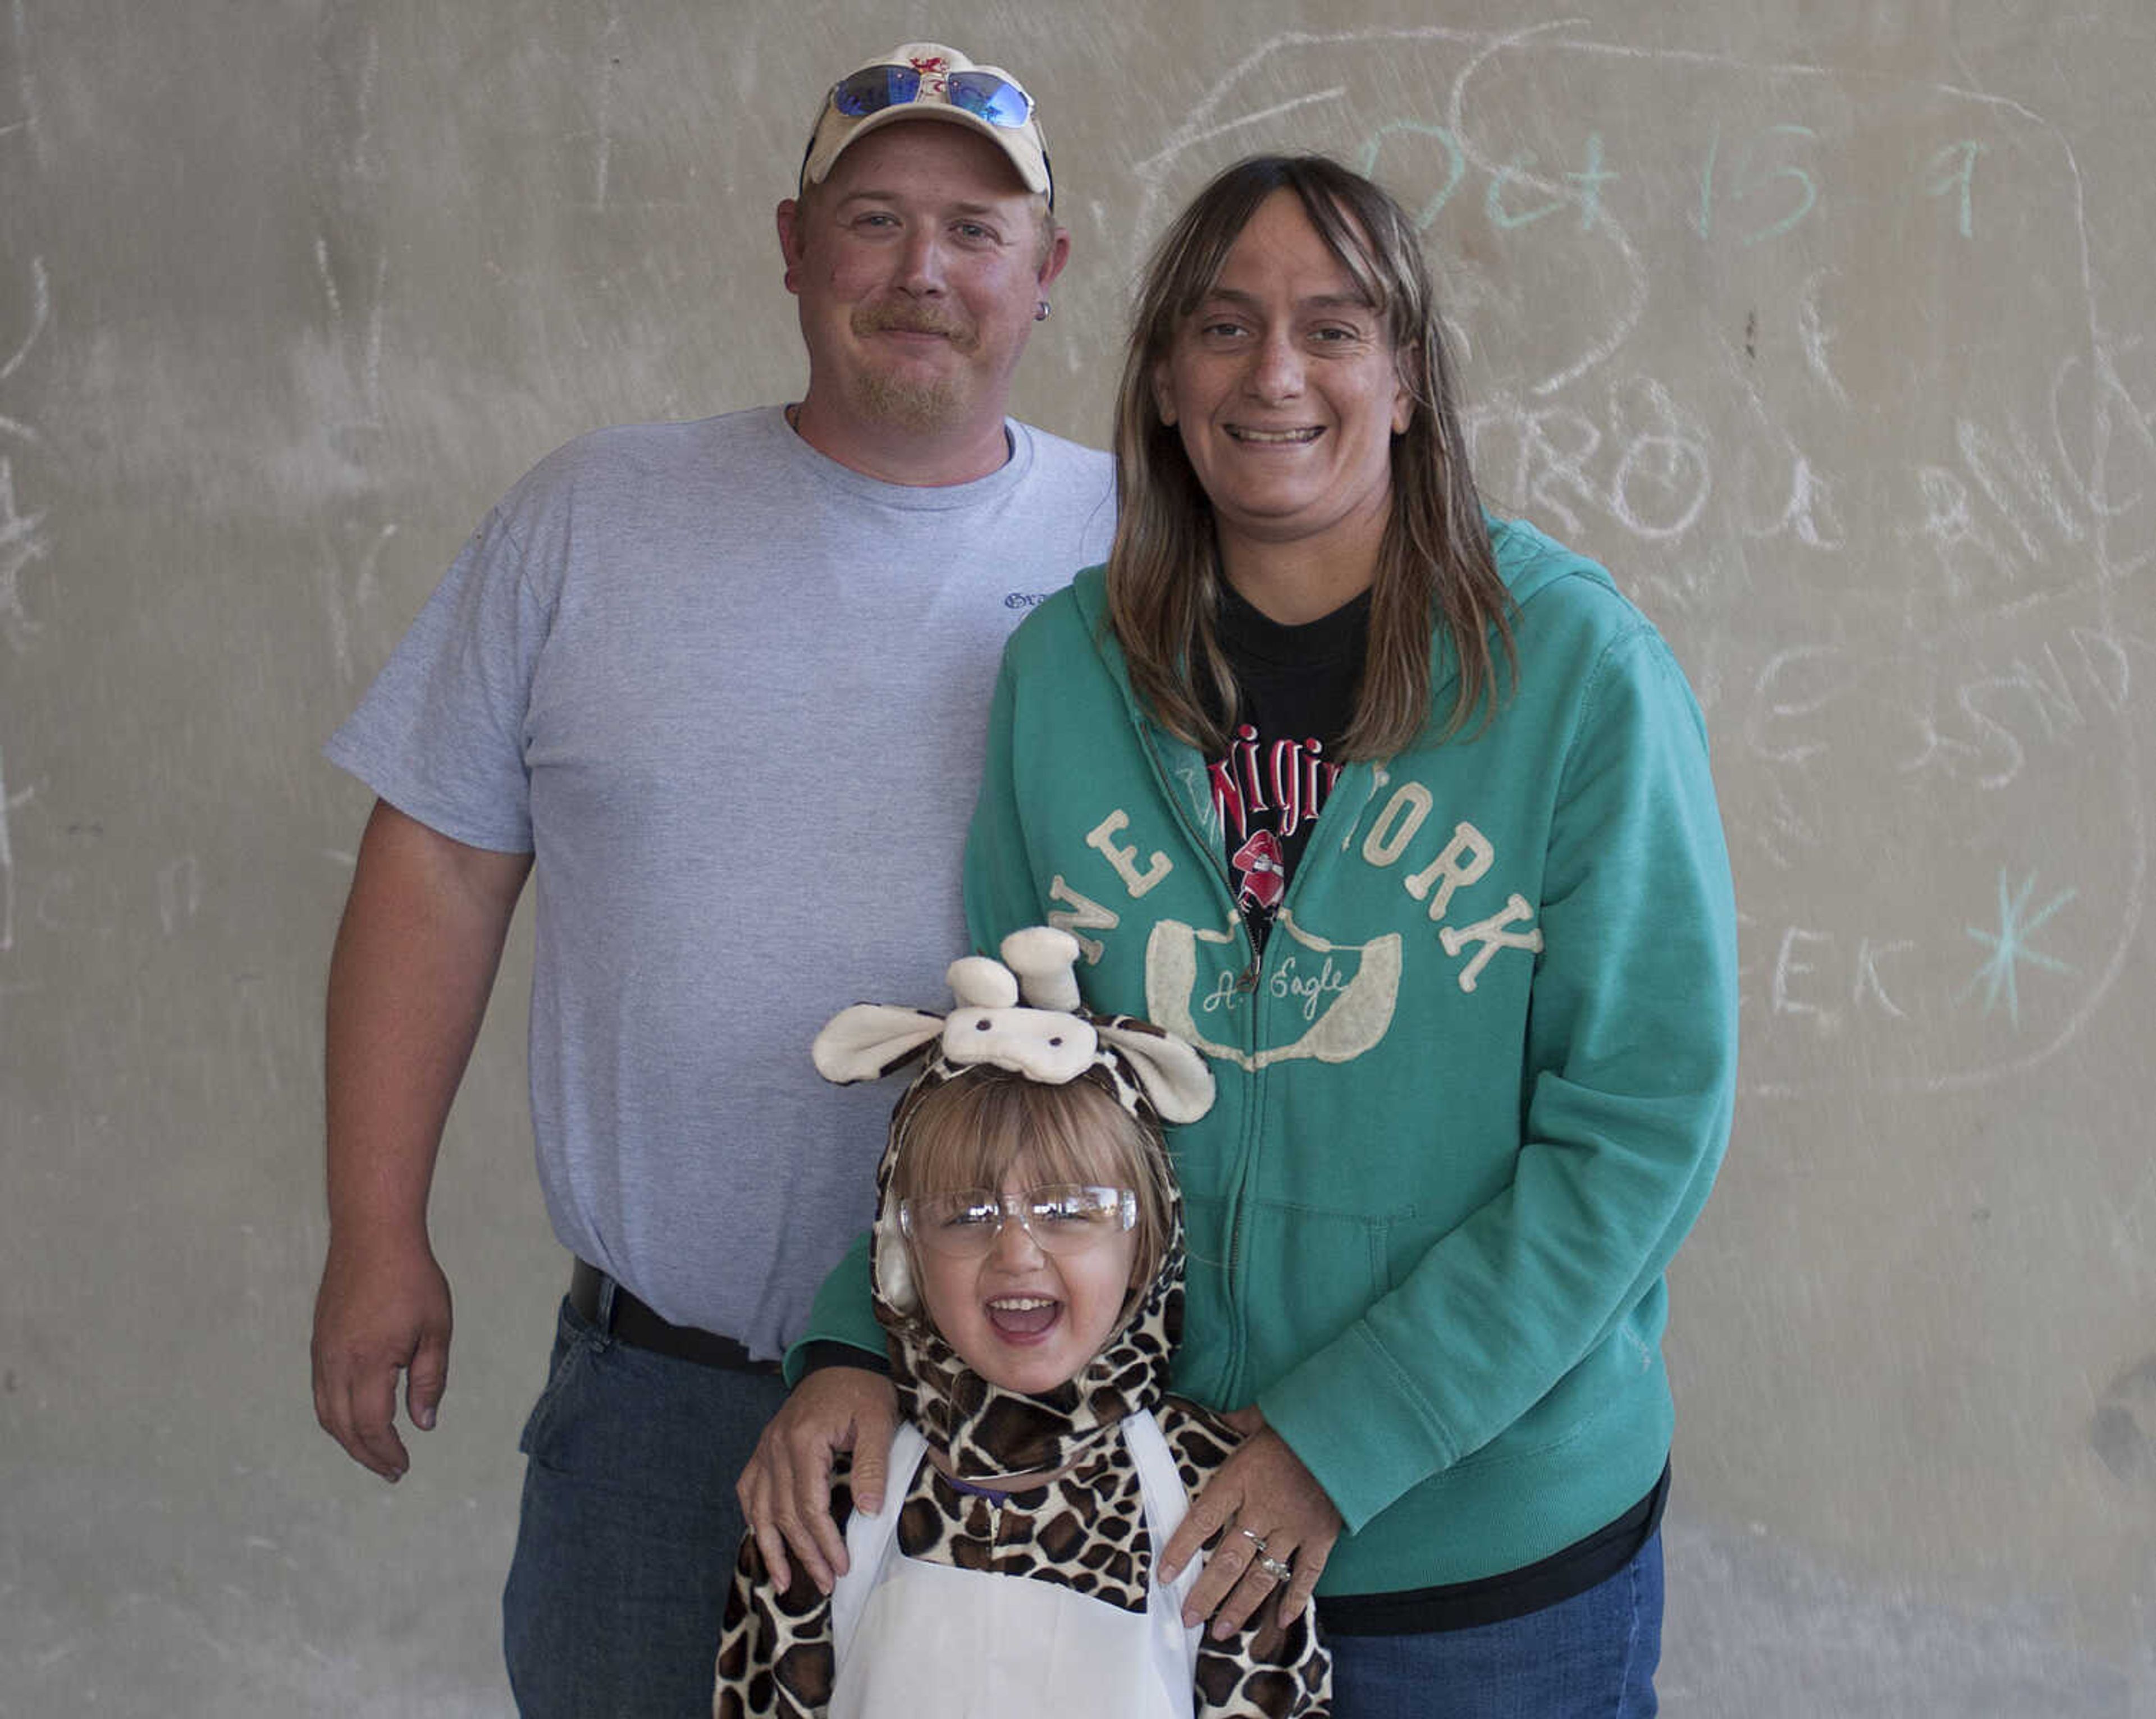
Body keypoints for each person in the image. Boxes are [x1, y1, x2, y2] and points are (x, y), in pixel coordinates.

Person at [746, 155, 1739, 1718]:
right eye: (1223, 326)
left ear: (1406, 380)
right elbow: (1002, 1087)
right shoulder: (1067, 674)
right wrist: (851, 1341)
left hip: (1480, 1567)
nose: (1275, 373)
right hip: (1147, 1542)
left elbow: (1638, 1130)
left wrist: (1352, 1433)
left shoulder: (1579, 671)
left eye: (1333, 329)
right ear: (1160, 379)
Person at [309, 42, 1113, 1717]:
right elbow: (441, 865)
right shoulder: (595, 518)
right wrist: (375, 1227)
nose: (922, 270)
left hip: (1032, 1409)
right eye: (875, 218)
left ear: (1049, 269)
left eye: (976, 229)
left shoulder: (1148, 551)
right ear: (793, 244)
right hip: (661, 1408)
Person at [716, 927, 1330, 1718]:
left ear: (1147, 1246)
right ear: (904, 1256)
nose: (1017, 1253)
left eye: (1071, 1210)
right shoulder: (828, 1493)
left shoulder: (1218, 1503)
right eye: (965, 1212)